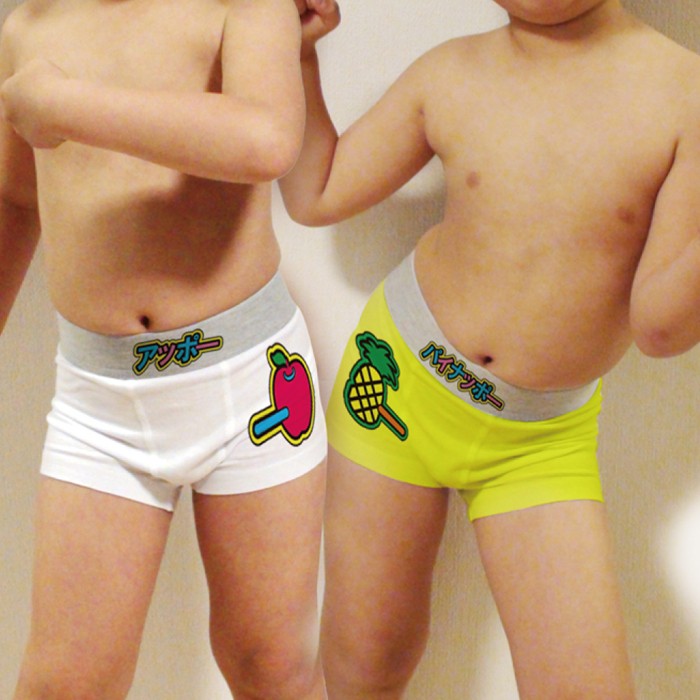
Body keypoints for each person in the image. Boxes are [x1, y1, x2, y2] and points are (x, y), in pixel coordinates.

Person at [285, 0, 700, 697]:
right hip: (394, 387)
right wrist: (301, 56)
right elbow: (317, 190)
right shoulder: (451, 72)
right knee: (367, 664)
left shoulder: (685, 96)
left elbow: (661, 327)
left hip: (538, 442)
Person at [0, 0, 328, 698]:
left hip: (255, 388)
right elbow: (16, 199)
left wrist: (63, 104)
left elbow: (264, 141)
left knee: (271, 666)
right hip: (99, 407)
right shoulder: (29, 26)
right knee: (64, 685)